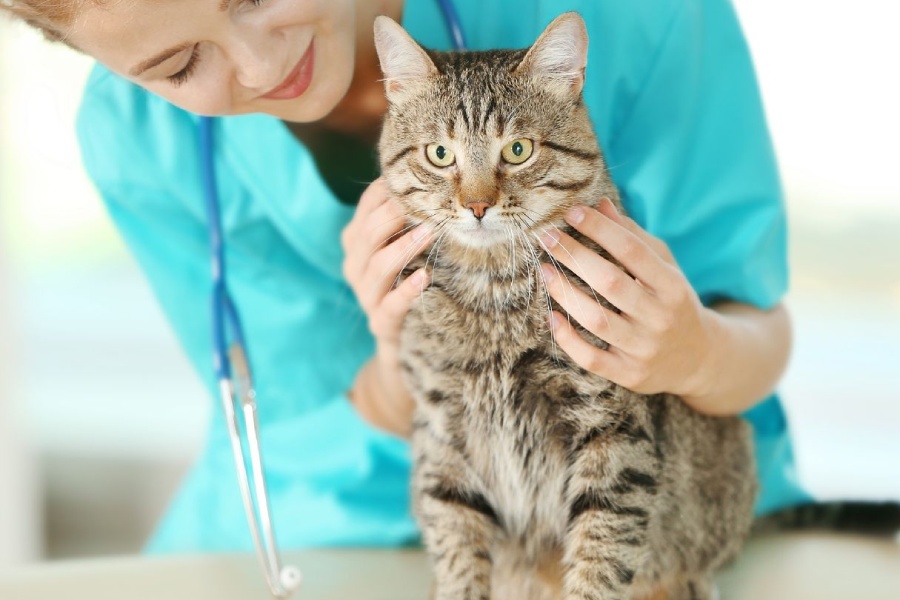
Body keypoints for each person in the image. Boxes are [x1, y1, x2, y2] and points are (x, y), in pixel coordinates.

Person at [1, 0, 812, 553]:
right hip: (324, 534)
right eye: (180, 65)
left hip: (634, 523)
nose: (257, 63)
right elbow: (288, 427)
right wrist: (400, 367)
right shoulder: (137, 137)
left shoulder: (638, 16)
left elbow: (755, 327)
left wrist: (693, 353)